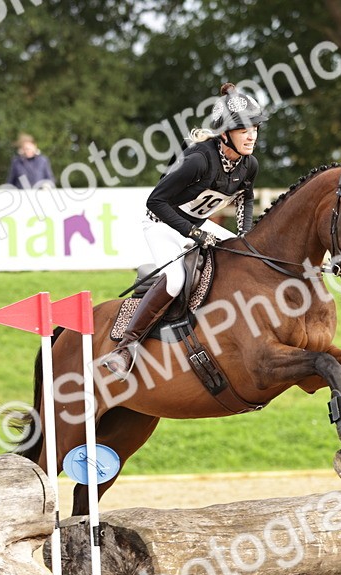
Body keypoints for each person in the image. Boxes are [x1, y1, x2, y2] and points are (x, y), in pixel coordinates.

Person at [102, 82, 266, 380]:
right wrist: (193, 232)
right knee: (176, 278)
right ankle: (125, 348)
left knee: (249, 256)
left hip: (198, 226)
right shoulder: (199, 160)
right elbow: (155, 201)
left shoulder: (248, 164)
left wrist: (245, 235)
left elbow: (245, 196)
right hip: (162, 224)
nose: (252, 135)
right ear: (225, 133)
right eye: (244, 129)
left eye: (254, 127)